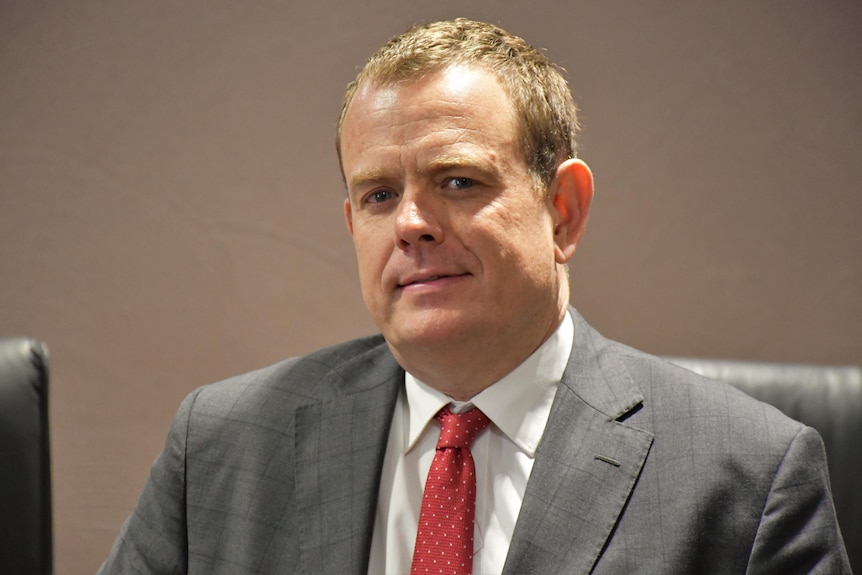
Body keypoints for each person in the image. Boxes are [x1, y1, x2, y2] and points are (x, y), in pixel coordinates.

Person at [98, 18, 851, 574]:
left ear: (564, 209)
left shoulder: (745, 480)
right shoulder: (223, 446)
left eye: (458, 181)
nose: (413, 224)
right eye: (379, 195)